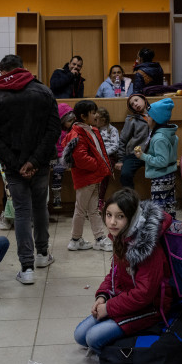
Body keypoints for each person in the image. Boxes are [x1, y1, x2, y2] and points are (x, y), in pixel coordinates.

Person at [0, 54, 60, 285]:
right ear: (22, 68)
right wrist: (35, 161)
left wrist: (17, 164)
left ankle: (26, 268)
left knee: (22, 213)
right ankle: (42, 255)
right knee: (40, 208)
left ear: (2, 72)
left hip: (14, 166)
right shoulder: (44, 92)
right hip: (40, 164)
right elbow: (53, 130)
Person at [74, 188, 172, 354]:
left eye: (120, 216)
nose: (112, 222)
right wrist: (102, 296)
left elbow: (144, 294)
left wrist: (110, 308)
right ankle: (118, 333)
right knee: (80, 336)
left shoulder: (147, 248)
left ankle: (125, 348)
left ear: (133, 218)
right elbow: (114, 273)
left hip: (149, 308)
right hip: (125, 301)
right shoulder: (121, 236)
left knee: (92, 338)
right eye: (109, 215)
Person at [63, 100, 113, 252]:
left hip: (93, 177)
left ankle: (99, 238)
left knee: (92, 210)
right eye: (93, 113)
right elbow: (81, 159)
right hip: (86, 178)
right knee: (80, 209)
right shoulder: (77, 134)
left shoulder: (90, 129)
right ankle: (75, 239)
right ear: (84, 116)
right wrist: (98, 165)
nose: (96, 115)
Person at [135, 98, 179, 218]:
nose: (147, 118)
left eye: (149, 116)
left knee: (159, 212)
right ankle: (170, 232)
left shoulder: (159, 138)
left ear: (155, 119)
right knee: (169, 208)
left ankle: (162, 234)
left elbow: (162, 161)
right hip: (169, 176)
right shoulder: (167, 132)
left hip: (161, 178)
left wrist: (143, 156)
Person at [115, 94, 150, 189]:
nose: (135, 104)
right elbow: (123, 140)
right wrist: (121, 160)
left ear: (143, 99)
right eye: (132, 104)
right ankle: (130, 200)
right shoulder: (131, 120)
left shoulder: (156, 115)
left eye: (136, 100)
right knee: (125, 174)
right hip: (135, 154)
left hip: (152, 154)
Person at [50, 103, 75, 210]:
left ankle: (57, 197)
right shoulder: (55, 131)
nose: (72, 123)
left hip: (65, 157)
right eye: (69, 121)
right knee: (54, 169)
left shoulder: (73, 131)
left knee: (59, 169)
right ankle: (56, 196)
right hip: (54, 157)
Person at [96, 107, 120, 211]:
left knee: (104, 173)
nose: (95, 121)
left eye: (97, 119)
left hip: (109, 156)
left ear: (104, 120)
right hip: (96, 156)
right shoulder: (94, 130)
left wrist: (103, 154)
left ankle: (100, 200)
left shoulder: (112, 130)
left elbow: (115, 146)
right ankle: (93, 200)